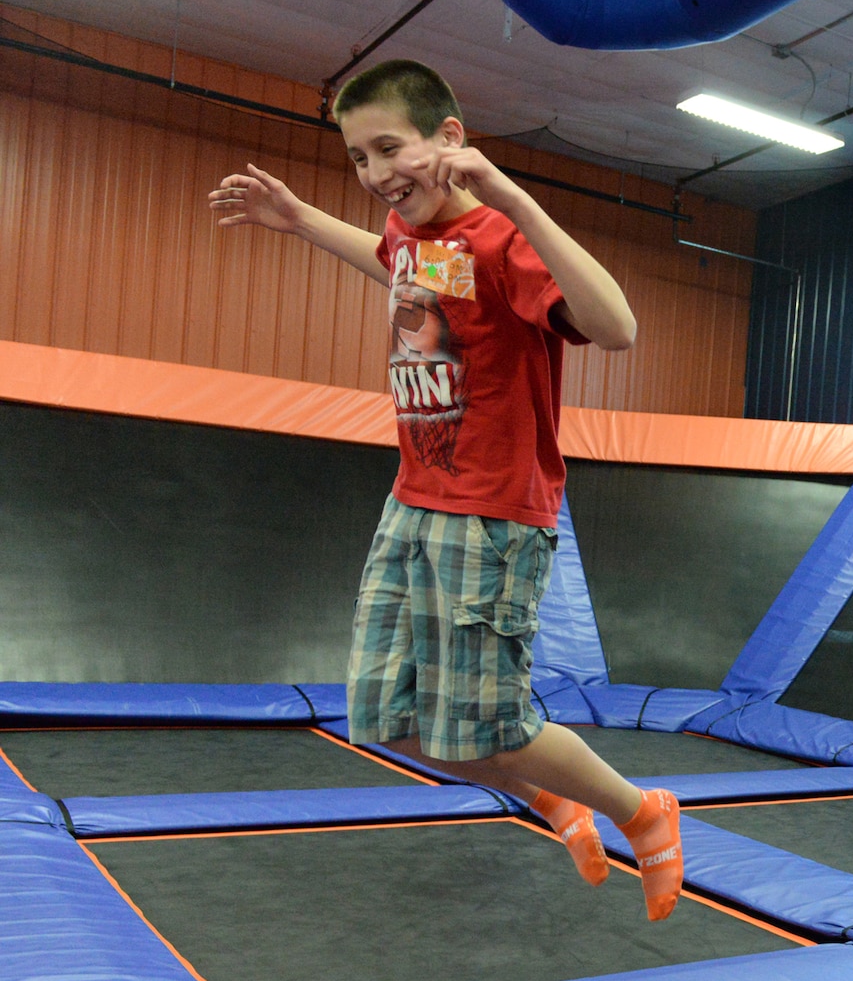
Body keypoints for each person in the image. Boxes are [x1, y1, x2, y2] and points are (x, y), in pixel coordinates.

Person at [208, 60, 686, 922]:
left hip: (494, 517)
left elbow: (618, 327)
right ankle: (551, 797)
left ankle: (639, 809)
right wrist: (300, 219)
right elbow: (385, 254)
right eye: (358, 157)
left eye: (390, 147)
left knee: (492, 727)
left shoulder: (504, 241)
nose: (377, 171)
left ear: (450, 140)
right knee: (383, 721)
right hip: (413, 502)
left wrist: (514, 197)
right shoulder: (410, 236)